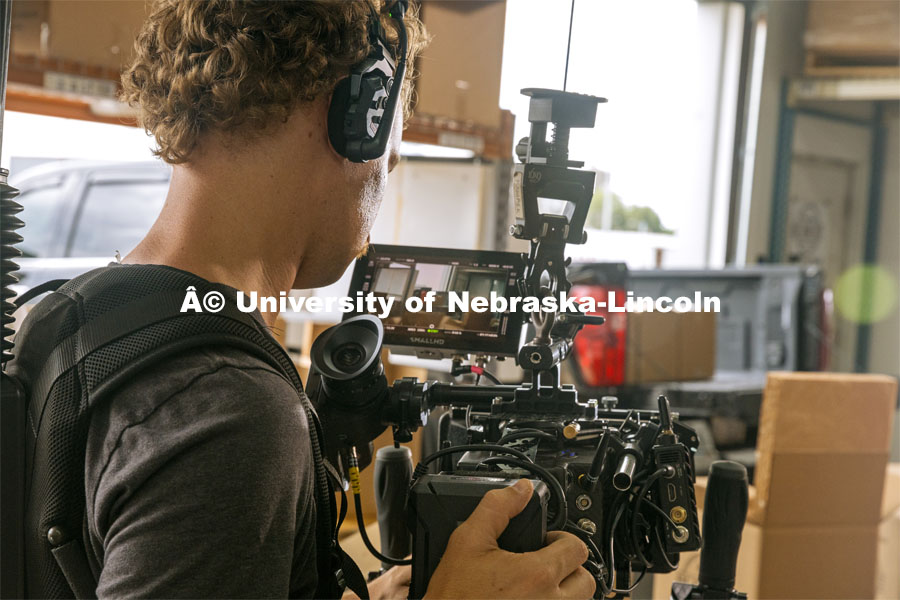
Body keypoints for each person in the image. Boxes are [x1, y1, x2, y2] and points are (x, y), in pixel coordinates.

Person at [69, 1, 597, 597]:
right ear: (359, 119)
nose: (385, 174)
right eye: (390, 157)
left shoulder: (72, 318)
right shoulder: (230, 414)